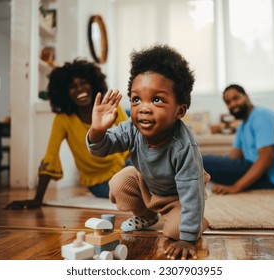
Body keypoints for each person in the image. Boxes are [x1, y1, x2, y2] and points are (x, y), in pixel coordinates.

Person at [86, 45, 209, 260]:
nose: (143, 108)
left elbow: (191, 195)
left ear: (179, 110)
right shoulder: (132, 128)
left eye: (157, 100)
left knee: (175, 231)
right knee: (119, 182)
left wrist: (188, 238)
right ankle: (147, 216)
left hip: (178, 197)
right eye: (136, 99)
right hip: (149, 188)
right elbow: (102, 148)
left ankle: (197, 222)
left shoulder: (183, 146)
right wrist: (97, 130)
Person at [5, 59, 129, 210]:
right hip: (99, 183)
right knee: (135, 191)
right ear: (65, 93)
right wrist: (37, 198)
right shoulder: (63, 119)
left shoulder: (109, 107)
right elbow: (51, 155)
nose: (79, 89)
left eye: (83, 83)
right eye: (72, 86)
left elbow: (132, 138)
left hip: (123, 165)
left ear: (93, 84)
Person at [202, 84, 274, 195]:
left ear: (247, 96)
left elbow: (267, 158)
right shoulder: (243, 125)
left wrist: (235, 187)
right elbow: (234, 156)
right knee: (205, 162)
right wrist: (218, 164)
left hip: (273, 179)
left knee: (201, 161)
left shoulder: (262, 117)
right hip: (256, 170)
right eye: (228, 102)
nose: (232, 104)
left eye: (236, 98)